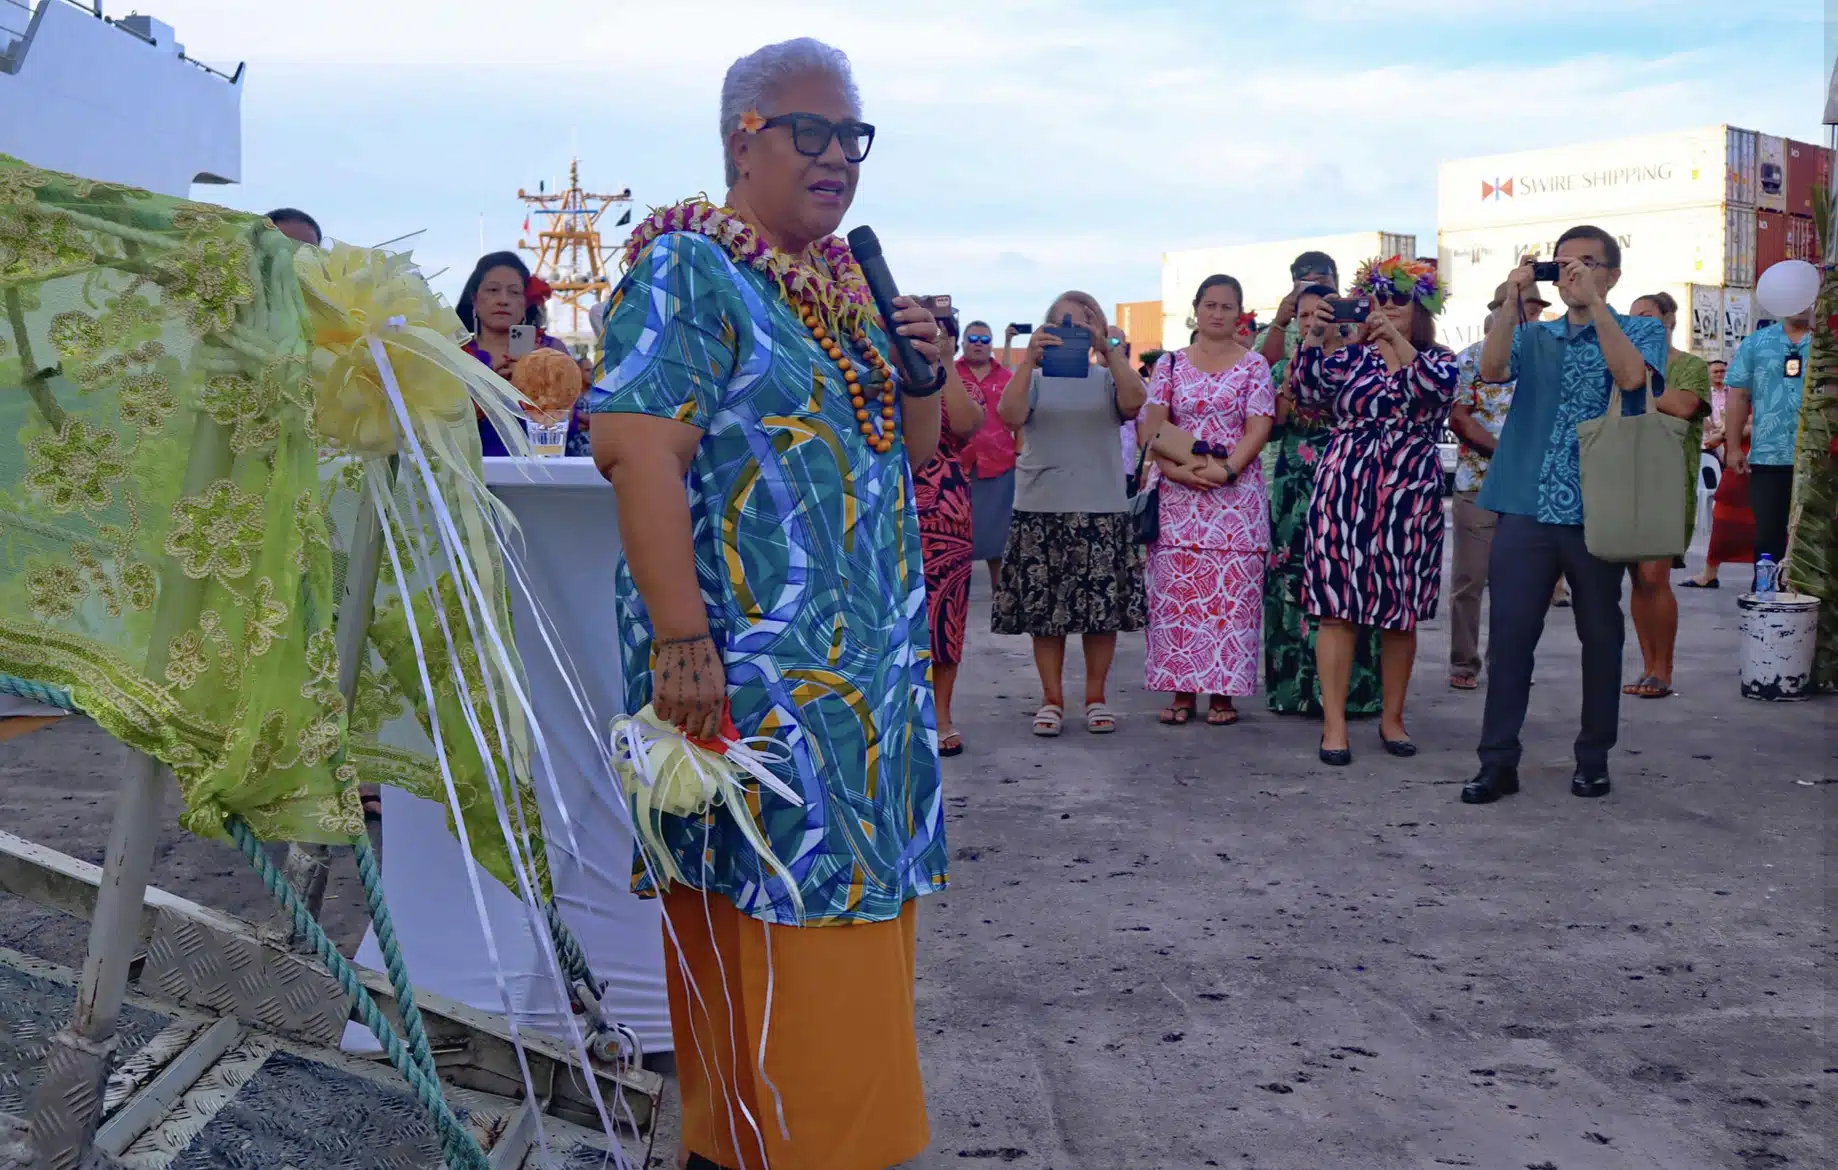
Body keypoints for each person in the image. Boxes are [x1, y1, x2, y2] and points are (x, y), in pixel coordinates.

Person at [589, 37, 949, 1170]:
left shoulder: (839, 285)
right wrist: (684, 644)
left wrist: (919, 365)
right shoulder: (691, 267)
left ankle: (765, 1149)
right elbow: (634, 448)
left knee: (825, 938)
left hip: (864, 689)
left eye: (854, 137)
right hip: (760, 684)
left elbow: (914, 448)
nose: (839, 156)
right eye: (813, 132)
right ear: (743, 138)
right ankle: (782, 1148)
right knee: (780, 928)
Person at [1460, 227, 1705, 805]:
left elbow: (1631, 380)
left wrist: (1594, 306)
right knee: (1511, 639)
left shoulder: (1639, 329)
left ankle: (1592, 758)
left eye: (1589, 264)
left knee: (1600, 634)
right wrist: (1509, 302)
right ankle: (1497, 761)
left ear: (1613, 275)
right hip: (1523, 501)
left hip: (1600, 506)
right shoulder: (1535, 336)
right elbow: (1492, 371)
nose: (1574, 274)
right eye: (1565, 264)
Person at [1295, 256, 1459, 765]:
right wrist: (1314, 337)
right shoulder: (1348, 358)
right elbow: (1304, 393)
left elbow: (1431, 391)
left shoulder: (1439, 358)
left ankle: (1393, 718)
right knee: (1336, 610)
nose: (1385, 307)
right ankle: (1335, 724)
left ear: (1421, 308)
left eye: (1399, 300)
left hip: (1409, 495)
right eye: (1379, 298)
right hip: (1344, 488)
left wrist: (1394, 341)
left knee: (1400, 613)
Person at [993, 291, 1148, 737]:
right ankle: (1051, 699)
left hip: (1102, 504)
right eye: (1061, 324)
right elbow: (1009, 414)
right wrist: (1027, 361)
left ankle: (1096, 697)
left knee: (1102, 615)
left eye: (1081, 324)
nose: (1071, 333)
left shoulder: (1107, 378)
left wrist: (1108, 348)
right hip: (1042, 505)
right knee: (1046, 614)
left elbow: (1136, 402)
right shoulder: (1035, 379)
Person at [1140, 276, 1273, 726]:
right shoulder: (1171, 365)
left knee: (1229, 600)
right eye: (1210, 305)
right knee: (1179, 596)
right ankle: (1181, 693)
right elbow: (1152, 425)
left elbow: (1258, 426)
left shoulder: (1255, 366)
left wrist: (1229, 469)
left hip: (1235, 501)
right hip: (1179, 496)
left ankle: (1222, 695)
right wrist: (1176, 471)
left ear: (1240, 314)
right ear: (1196, 309)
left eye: (1227, 306)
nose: (1217, 313)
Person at [1260, 283, 1384, 719]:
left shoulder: (1364, 364)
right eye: (1306, 315)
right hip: (1296, 487)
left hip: (1353, 486)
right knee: (1291, 583)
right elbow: (1273, 423)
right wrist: (1297, 370)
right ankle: (1291, 690)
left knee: (1348, 586)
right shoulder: (1282, 370)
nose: (1316, 322)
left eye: (1324, 313)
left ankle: (1353, 693)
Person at [1447, 282, 1551, 690]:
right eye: (1523, 307)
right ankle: (1464, 662)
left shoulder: (1545, 359)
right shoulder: (1470, 360)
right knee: (1471, 580)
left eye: (1536, 309)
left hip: (1533, 488)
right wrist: (1508, 453)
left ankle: (1507, 663)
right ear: (1498, 310)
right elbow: (1460, 418)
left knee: (1522, 584)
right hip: (1480, 484)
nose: (1531, 316)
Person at [1622, 293, 1712, 698]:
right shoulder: (1620, 362)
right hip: (1623, 480)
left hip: (1668, 482)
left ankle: (1664, 669)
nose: (1639, 323)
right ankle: (1647, 666)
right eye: (1633, 317)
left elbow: (1685, 405)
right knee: (1637, 581)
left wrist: (1636, 383)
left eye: (1647, 316)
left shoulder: (1689, 365)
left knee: (1654, 576)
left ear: (1669, 319)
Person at [916, 315, 986, 757]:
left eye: (943, 334)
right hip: (888, 503)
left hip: (945, 509)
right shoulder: (881, 369)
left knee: (945, 620)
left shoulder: (959, 381)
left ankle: (941, 716)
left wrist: (943, 364)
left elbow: (965, 425)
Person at [458, 251, 591, 457]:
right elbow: (441, 430)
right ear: (475, 299)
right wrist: (490, 397)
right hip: (474, 478)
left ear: (525, 302)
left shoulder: (552, 352)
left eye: (514, 292)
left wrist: (534, 385)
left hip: (545, 478)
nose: (503, 300)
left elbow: (565, 422)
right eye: (493, 290)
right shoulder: (455, 355)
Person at [1723, 305, 1812, 565]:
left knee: (1817, 537)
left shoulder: (1829, 341)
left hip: (1821, 455)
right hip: (1769, 455)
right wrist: (1734, 447)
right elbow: (1738, 394)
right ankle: (1766, 594)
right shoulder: (1757, 342)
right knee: (1768, 535)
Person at [958, 319, 1017, 590]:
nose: (978, 345)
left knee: (999, 542)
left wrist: (1020, 453)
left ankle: (1002, 600)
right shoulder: (948, 373)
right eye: (973, 339)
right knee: (956, 542)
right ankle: (955, 598)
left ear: (991, 344)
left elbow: (1021, 418)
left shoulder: (1007, 377)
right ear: (962, 342)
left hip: (1000, 467)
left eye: (984, 340)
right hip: (958, 468)